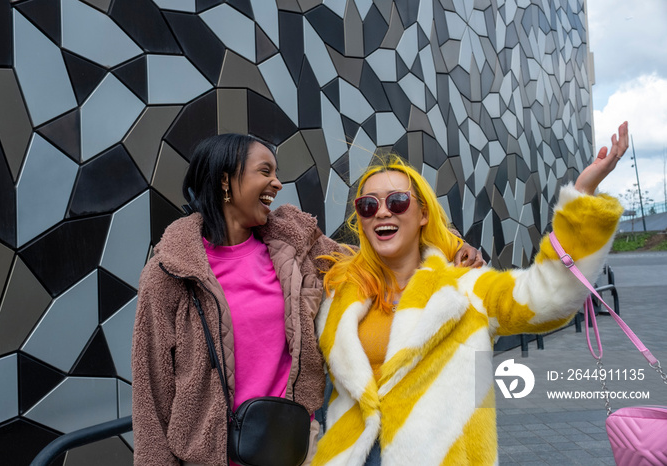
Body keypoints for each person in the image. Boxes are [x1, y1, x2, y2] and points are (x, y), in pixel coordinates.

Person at [131, 133, 483, 465]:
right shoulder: (172, 271)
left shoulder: (295, 247)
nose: (277, 183)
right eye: (264, 171)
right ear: (225, 180)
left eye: (276, 173)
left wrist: (449, 245)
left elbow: (376, 256)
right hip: (208, 455)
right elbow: (151, 393)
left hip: (292, 447)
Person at [312, 122, 629, 465]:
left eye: (398, 201)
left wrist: (582, 197)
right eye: (368, 205)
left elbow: (548, 296)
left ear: (422, 214)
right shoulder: (340, 296)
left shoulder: (466, 287)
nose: (383, 211)